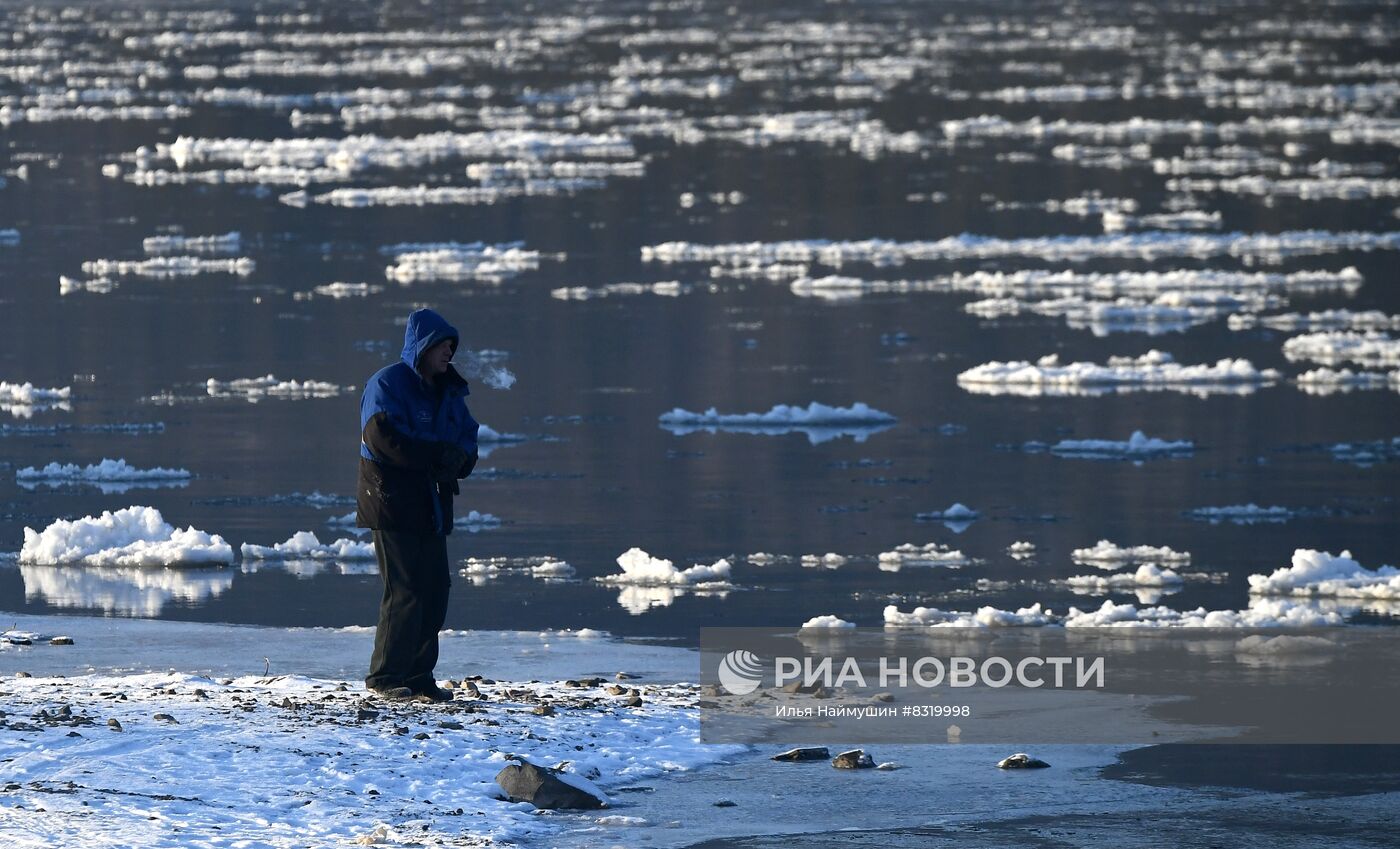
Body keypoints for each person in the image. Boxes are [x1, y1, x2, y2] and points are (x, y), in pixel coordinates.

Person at [357, 308, 480, 702]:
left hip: (432, 504)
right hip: (392, 503)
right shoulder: (388, 383)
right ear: (423, 347)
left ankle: (418, 675)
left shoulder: (447, 391)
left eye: (451, 347)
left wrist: (458, 459)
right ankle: (386, 677)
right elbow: (381, 438)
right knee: (405, 589)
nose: (449, 353)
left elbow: (467, 436)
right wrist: (434, 456)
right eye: (443, 345)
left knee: (435, 590)